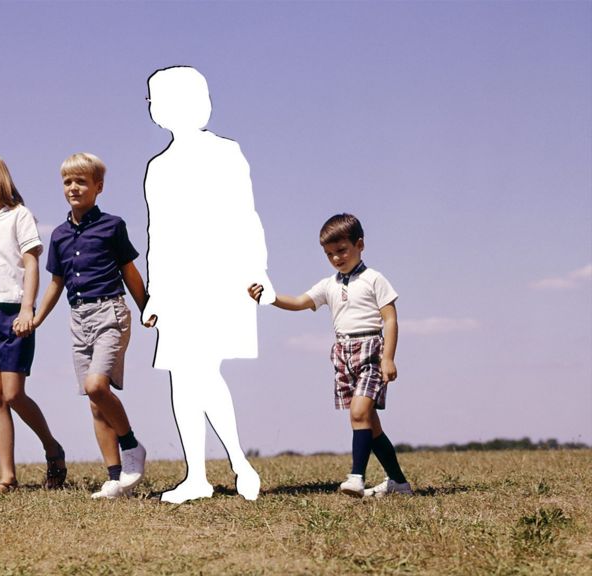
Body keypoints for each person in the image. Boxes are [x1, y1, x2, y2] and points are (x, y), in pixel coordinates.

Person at [142, 66, 272, 503]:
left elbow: (246, 215)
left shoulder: (226, 153)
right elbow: (157, 234)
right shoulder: (158, 168)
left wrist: (257, 271)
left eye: (155, 98)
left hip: (218, 276)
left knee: (199, 371)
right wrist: (155, 294)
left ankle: (236, 462)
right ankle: (200, 474)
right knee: (183, 376)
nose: (151, 107)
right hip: (177, 284)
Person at [249, 213, 412, 497]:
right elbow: (299, 302)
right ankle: (398, 483)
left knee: (358, 413)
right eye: (329, 254)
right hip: (342, 354)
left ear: (360, 244)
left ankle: (356, 477)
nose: (336, 258)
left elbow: (390, 319)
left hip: (370, 351)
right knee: (370, 424)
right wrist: (269, 297)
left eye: (342, 250)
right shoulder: (329, 285)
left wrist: (388, 358)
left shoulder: (374, 279)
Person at [28, 153, 149, 499]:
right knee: (95, 403)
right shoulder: (59, 235)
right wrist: (36, 319)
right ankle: (116, 478)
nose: (73, 187)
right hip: (77, 318)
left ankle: (131, 445)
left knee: (97, 386)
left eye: (81, 181)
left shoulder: (112, 226)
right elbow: (56, 283)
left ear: (98, 187)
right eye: (68, 182)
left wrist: (147, 309)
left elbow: (129, 272)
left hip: (110, 311)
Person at [0, 153, 67, 494]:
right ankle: (7, 477)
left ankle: (52, 448)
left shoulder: (20, 216)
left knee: (14, 394)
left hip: (13, 312)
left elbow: (31, 265)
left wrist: (27, 309)